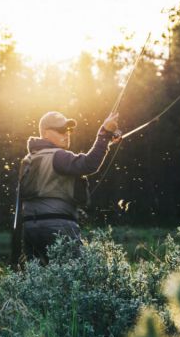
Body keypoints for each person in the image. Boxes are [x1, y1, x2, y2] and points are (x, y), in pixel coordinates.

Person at [18, 110, 120, 263]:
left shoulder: (28, 159)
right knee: (74, 276)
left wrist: (105, 143)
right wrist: (104, 135)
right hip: (58, 226)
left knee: (39, 280)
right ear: (45, 134)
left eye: (68, 130)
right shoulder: (58, 155)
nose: (66, 134)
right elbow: (89, 164)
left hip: (29, 229)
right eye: (60, 131)